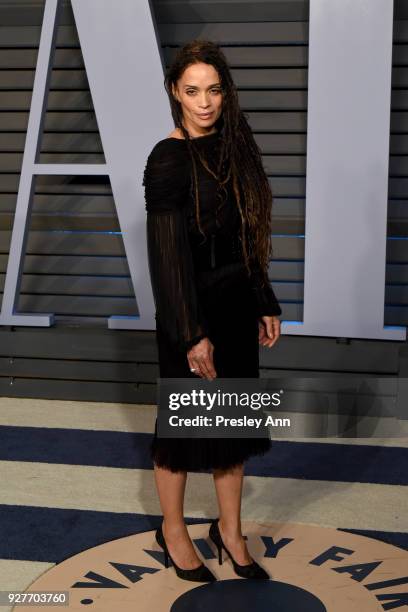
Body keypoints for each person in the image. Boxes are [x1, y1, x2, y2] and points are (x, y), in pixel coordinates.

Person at [143, 39, 282, 583]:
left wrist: (263, 297)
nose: (205, 103)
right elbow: (167, 257)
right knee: (182, 427)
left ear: (226, 94)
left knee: (232, 423)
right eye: (192, 90)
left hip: (235, 302)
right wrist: (190, 334)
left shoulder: (235, 147)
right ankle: (173, 530)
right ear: (175, 92)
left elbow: (249, 232)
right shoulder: (168, 158)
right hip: (189, 309)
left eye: (214, 90)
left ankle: (229, 530)